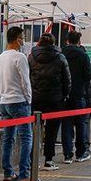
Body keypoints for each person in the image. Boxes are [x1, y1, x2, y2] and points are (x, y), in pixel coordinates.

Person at [0, 26, 34, 181]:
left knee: (8, 138)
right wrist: (29, 99)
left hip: (4, 101)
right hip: (19, 101)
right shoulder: (20, 57)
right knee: (26, 138)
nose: (23, 41)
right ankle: (24, 173)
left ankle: (8, 172)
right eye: (23, 37)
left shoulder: (1, 57)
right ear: (18, 39)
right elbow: (26, 81)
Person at [29, 33, 72, 170]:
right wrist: (65, 94)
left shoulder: (31, 57)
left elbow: (27, 75)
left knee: (35, 130)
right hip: (55, 99)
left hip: (36, 98)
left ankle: (32, 159)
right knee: (52, 131)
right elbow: (67, 80)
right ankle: (48, 160)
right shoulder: (60, 57)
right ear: (53, 43)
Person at [63, 30, 91, 162]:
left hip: (65, 95)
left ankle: (67, 154)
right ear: (79, 42)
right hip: (79, 93)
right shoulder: (83, 55)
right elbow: (88, 75)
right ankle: (81, 153)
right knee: (81, 124)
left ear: (67, 41)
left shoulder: (61, 53)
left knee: (67, 124)